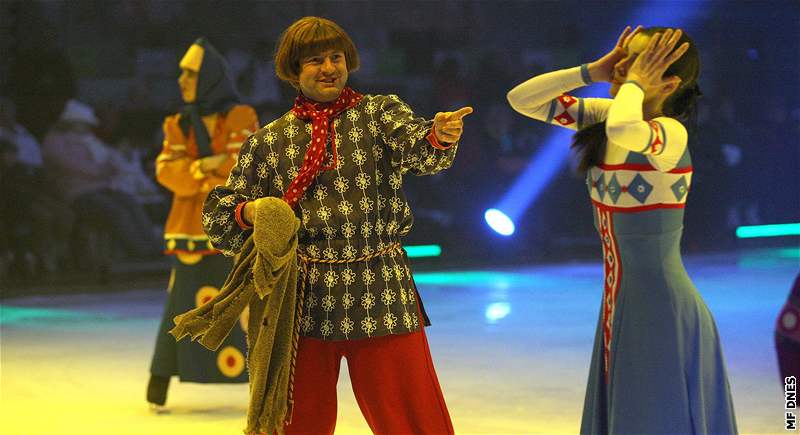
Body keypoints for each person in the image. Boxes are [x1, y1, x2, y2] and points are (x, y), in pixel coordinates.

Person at [203, 17, 471, 434]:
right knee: (296, 421)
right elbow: (220, 218)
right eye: (314, 60)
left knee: (412, 416)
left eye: (335, 57)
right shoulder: (267, 142)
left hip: (380, 285)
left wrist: (439, 135)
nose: (328, 67)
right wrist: (253, 212)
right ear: (293, 71)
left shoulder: (380, 114)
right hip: (302, 297)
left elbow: (421, 151)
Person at [508, 27, 737, 434]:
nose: (625, 68)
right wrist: (592, 70)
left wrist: (629, 85)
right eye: (626, 58)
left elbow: (625, 131)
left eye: (640, 61)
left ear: (669, 83)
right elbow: (521, 99)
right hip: (619, 303)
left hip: (661, 307)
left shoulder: (670, 133)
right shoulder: (608, 115)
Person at [146, 38, 260, 409]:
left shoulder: (241, 116)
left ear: (209, 76)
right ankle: (161, 376)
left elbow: (239, 169)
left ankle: (260, 379)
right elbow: (166, 172)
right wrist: (203, 167)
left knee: (243, 303)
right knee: (181, 305)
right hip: (187, 231)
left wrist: (195, 172)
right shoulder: (177, 122)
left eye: (190, 72)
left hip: (233, 227)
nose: (181, 79)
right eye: (181, 71)